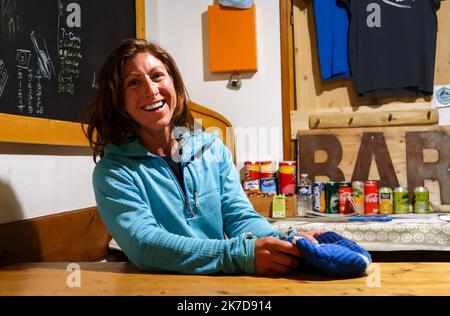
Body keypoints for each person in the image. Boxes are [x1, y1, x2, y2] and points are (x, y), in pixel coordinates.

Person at [85, 38, 320, 275]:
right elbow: (144, 245)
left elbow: (240, 217)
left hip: (220, 289)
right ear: (119, 102)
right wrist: (239, 255)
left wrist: (284, 241)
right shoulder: (113, 172)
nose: (151, 90)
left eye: (157, 76)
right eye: (134, 83)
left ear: (174, 83)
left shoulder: (211, 149)